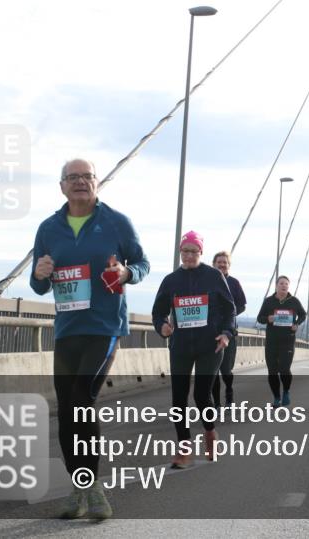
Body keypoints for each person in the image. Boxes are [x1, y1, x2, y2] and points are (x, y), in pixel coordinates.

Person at [30, 158, 150, 520]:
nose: (80, 181)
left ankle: (92, 486)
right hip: (68, 330)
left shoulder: (116, 222)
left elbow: (143, 264)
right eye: (73, 177)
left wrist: (127, 272)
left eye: (87, 176)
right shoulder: (48, 228)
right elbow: (38, 285)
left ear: (97, 182)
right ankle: (79, 487)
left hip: (104, 327)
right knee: (66, 410)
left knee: (82, 399)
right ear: (62, 186)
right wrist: (40, 274)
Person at [151, 232, 235, 468]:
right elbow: (158, 312)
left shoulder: (214, 276)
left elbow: (230, 310)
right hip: (181, 346)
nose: (188, 255)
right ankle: (184, 448)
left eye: (193, 251)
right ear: (180, 252)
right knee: (178, 398)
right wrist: (162, 326)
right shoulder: (170, 280)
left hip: (210, 345)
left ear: (201, 253)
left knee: (201, 395)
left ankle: (210, 433)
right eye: (185, 251)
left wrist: (226, 334)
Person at [256, 276, 307, 407]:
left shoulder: (294, 301)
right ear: (276, 286)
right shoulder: (268, 301)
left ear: (288, 287)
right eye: (281, 283)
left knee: (284, 369)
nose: (284, 286)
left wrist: (297, 324)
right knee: (272, 371)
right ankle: (276, 397)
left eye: (286, 284)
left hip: (288, 340)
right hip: (272, 341)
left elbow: (303, 314)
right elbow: (260, 318)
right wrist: (268, 318)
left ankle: (286, 391)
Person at [211, 251, 246, 408]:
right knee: (213, 370)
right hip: (211, 332)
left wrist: (229, 315)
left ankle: (229, 392)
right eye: (219, 262)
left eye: (225, 262)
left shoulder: (234, 283)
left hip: (229, 332)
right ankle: (217, 404)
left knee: (226, 370)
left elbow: (242, 305)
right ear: (213, 264)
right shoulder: (207, 281)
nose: (222, 264)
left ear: (228, 265)